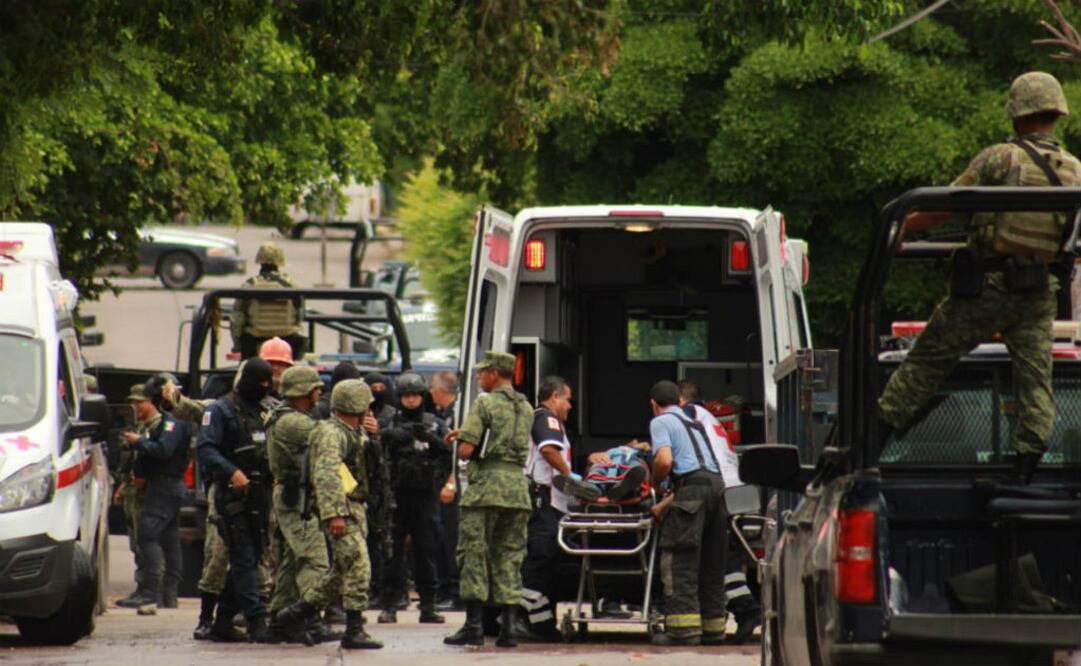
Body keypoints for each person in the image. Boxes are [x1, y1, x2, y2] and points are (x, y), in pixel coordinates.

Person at [879, 71, 1081, 484]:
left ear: (1016, 113)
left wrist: (901, 227)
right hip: (1037, 292)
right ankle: (1025, 469)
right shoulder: (1075, 170)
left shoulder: (999, 159)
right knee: (1035, 379)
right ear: (1056, 114)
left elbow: (946, 205)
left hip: (983, 290)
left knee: (925, 362)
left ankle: (876, 438)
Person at [279, 379, 384, 650]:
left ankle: (298, 612)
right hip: (342, 509)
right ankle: (354, 628)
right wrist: (334, 513)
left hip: (355, 508)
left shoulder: (354, 431)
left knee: (341, 570)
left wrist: (374, 436)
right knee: (359, 565)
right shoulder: (331, 433)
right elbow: (327, 474)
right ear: (357, 405)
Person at [444, 351, 533, 649]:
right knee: (509, 555)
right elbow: (504, 440)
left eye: (483, 373)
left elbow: (468, 451)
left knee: (473, 553)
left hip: (485, 490)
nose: (480, 377)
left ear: (495, 373)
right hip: (517, 490)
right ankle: (508, 629)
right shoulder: (527, 407)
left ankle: (473, 626)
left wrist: (462, 438)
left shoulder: (484, 402)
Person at [196, 358, 276, 642]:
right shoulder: (220, 409)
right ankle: (256, 620)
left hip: (260, 494)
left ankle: (224, 620)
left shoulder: (266, 409)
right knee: (242, 555)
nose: (265, 388)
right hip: (231, 494)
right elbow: (206, 449)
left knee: (251, 555)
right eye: (261, 383)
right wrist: (232, 472)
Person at [678, 380, 760, 645]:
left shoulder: (687, 416)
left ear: (681, 400)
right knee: (725, 554)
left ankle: (746, 609)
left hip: (718, 488)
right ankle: (736, 609)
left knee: (719, 556)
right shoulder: (709, 417)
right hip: (732, 488)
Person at [648, 380, 727, 646]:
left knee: (680, 563)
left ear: (653, 404)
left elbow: (665, 460)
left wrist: (656, 483)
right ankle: (714, 629)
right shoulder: (695, 422)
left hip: (692, 490)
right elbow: (700, 474)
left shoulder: (660, 421)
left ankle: (684, 631)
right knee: (711, 564)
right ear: (681, 401)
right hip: (717, 489)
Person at [264, 365, 334, 644]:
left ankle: (279, 623)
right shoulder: (294, 422)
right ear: (304, 392)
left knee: (291, 563)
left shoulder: (289, 417)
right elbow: (328, 440)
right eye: (316, 388)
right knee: (314, 559)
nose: (319, 393)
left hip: (296, 496)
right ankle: (310, 619)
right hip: (298, 499)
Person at [376, 372, 450, 625]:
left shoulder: (435, 423)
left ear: (422, 396)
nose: (411, 400)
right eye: (406, 395)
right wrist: (388, 437)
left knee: (426, 551)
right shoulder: (388, 423)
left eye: (415, 395)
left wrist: (431, 439)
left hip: (426, 497)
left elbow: (450, 454)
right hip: (395, 496)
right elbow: (372, 452)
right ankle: (389, 605)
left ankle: (428, 605)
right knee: (392, 553)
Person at [512, 376, 576, 641]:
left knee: (548, 564)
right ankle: (519, 617)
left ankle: (540, 624)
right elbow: (550, 450)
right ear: (554, 397)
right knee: (539, 560)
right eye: (568, 399)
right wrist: (570, 476)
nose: (570, 406)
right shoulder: (547, 418)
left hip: (549, 502)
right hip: (542, 501)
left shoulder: (547, 420)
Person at [118, 381, 190, 610]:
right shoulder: (165, 424)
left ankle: (153, 591)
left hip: (165, 487)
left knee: (148, 536)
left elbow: (163, 451)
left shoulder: (171, 424)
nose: (135, 406)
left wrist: (139, 442)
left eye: (140, 402)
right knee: (168, 539)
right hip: (162, 487)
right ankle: (166, 595)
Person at [230, 241, 306, 361]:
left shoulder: (250, 285)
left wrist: (237, 344)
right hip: (288, 339)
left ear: (259, 260)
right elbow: (300, 314)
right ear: (280, 260)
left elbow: (237, 318)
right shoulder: (291, 285)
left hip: (254, 340)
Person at [114, 384, 149, 610]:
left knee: (145, 541)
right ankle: (141, 588)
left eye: (139, 401)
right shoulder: (135, 427)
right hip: (129, 489)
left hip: (143, 492)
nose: (134, 406)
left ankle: (148, 589)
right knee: (135, 542)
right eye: (132, 402)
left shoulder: (149, 429)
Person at [431, 371, 462, 611]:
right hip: (437, 487)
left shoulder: (458, 415)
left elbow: (459, 455)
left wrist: (451, 482)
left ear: (442, 390)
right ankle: (445, 590)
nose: (430, 392)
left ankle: (455, 592)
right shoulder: (439, 416)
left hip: (452, 488)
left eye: (433, 388)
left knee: (451, 540)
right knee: (440, 541)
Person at [556, 441, 651, 503]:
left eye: (637, 441)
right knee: (597, 469)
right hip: (606, 462)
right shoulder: (610, 451)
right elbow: (588, 469)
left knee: (633, 469)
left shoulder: (638, 454)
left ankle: (623, 489)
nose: (634, 442)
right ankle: (591, 488)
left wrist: (643, 446)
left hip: (630, 463)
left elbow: (648, 449)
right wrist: (592, 461)